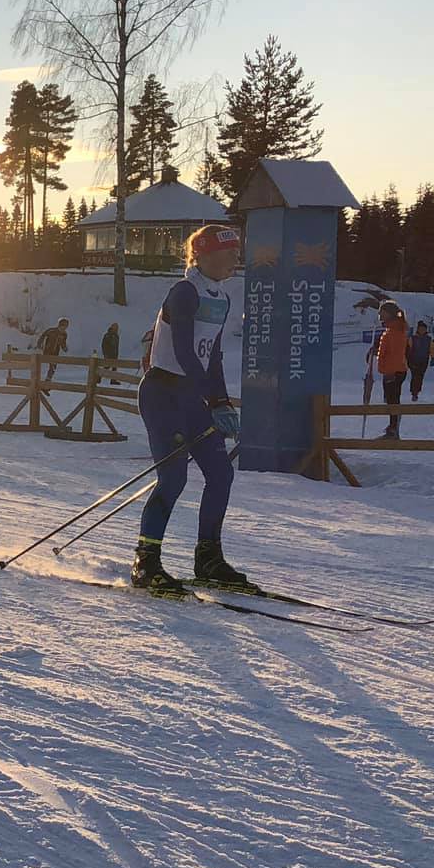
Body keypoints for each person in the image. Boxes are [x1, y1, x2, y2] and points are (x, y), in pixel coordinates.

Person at [132, 224, 246, 593]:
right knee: (174, 479)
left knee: (220, 474)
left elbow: (211, 355)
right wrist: (205, 398)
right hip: (164, 393)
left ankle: (208, 557)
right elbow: (182, 350)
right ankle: (146, 561)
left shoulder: (221, 297)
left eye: (236, 252)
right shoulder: (185, 291)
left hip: (192, 395)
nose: (235, 259)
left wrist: (222, 401)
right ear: (204, 255)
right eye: (228, 252)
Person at [367, 300, 409, 439]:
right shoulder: (391, 330)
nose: (379, 315)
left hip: (394, 371)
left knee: (393, 400)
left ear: (389, 314)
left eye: (382, 312)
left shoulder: (395, 331)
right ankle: (392, 427)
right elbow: (387, 350)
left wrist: (391, 371)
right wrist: (376, 351)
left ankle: (393, 429)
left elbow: (396, 353)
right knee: (391, 399)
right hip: (392, 370)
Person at [409, 319, 434, 402]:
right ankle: (414, 393)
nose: (422, 330)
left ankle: (417, 391)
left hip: (424, 360)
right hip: (414, 360)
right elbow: (409, 349)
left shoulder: (428, 339)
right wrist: (408, 359)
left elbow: (431, 349)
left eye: (423, 329)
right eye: (420, 329)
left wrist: (433, 358)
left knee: (420, 376)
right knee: (415, 376)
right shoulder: (413, 338)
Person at [37, 317, 71, 382]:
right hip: (47, 351)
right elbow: (43, 336)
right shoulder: (51, 331)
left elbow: (63, 343)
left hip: (55, 353)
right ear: (60, 325)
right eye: (63, 326)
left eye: (66, 326)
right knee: (41, 364)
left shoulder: (64, 334)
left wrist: (64, 348)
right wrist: (39, 344)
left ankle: (47, 381)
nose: (64, 328)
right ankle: (38, 380)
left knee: (53, 367)